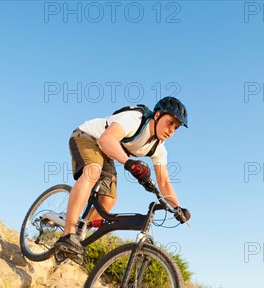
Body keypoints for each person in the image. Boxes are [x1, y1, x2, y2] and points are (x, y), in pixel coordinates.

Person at [54, 96, 191, 256]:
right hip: (88, 137)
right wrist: (129, 163)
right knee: (92, 170)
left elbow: (164, 181)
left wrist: (177, 208)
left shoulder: (158, 149)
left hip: (107, 152)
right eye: (170, 123)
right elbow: (107, 139)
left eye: (176, 127)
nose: (171, 130)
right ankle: (68, 233)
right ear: (157, 115)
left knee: (108, 200)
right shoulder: (134, 119)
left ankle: (78, 235)